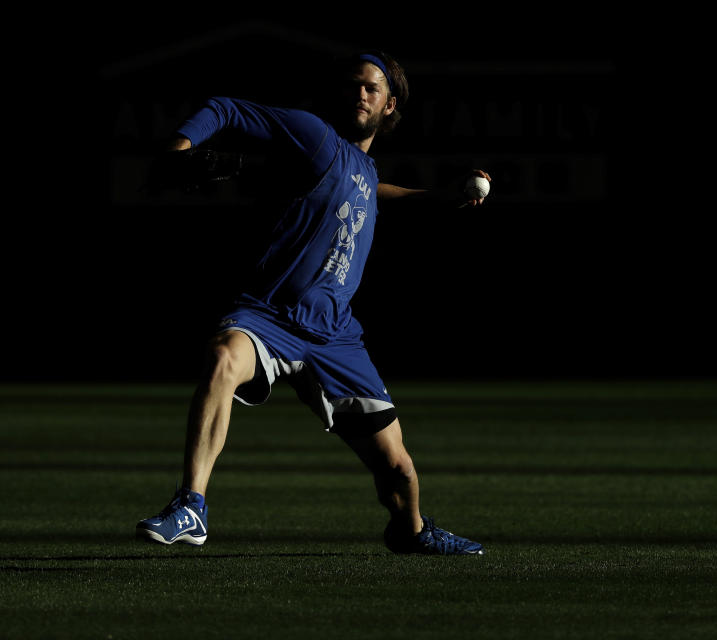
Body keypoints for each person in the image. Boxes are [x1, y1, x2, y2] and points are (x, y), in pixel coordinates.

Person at [137, 50, 490, 555]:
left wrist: (440, 196)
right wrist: (178, 149)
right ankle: (192, 503)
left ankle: (410, 531)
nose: (359, 93)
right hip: (269, 316)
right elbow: (227, 108)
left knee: (400, 471)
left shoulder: (361, 168)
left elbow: (371, 191)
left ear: (391, 105)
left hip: (335, 336)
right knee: (221, 357)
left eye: (371, 87)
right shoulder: (314, 134)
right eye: (352, 85)